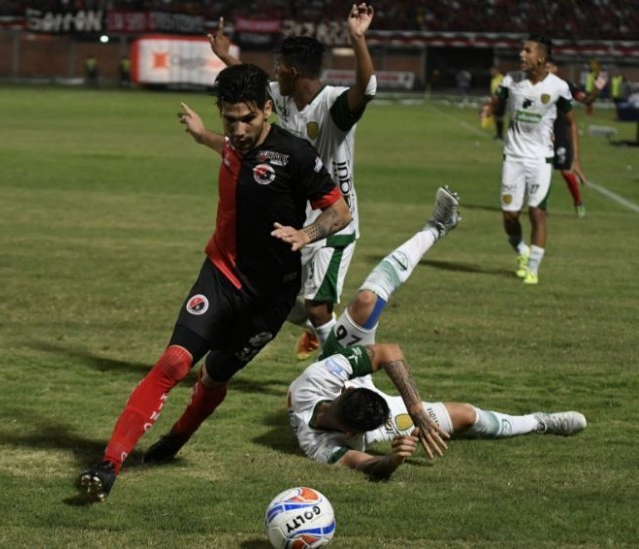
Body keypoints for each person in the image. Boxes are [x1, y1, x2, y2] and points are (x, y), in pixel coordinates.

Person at [78, 63, 352, 502]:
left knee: (217, 374)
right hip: (221, 275)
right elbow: (223, 146)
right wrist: (200, 133)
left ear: (267, 110)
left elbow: (340, 211)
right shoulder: (231, 142)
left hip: (270, 297)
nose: (239, 130)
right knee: (173, 363)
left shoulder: (295, 154)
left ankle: (180, 435)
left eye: (249, 119)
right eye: (231, 120)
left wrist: (306, 234)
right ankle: (109, 463)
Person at [288, 188, 586, 480]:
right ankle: (539, 422)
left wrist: (416, 409)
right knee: (467, 416)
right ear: (353, 434)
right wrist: (393, 458)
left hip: (335, 373)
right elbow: (364, 464)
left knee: (366, 301)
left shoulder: (316, 383)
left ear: (348, 388)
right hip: (376, 418)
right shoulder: (316, 443)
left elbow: (388, 352)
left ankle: (437, 226)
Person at [208, 4, 377, 361]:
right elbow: (251, 84)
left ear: (293, 70)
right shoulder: (281, 98)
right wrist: (226, 55)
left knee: (317, 307)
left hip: (334, 221)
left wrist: (358, 38)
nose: (275, 72)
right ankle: (324, 338)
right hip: (295, 221)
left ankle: (338, 371)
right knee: (276, 297)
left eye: (278, 67)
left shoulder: (332, 106)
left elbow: (365, 88)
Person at [481, 35, 576, 285]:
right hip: (513, 157)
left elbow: (571, 121)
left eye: (527, 51)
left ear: (541, 58)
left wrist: (574, 159)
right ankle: (523, 251)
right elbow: (497, 102)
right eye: (521, 51)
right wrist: (490, 108)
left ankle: (533, 267)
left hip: (541, 159)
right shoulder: (511, 80)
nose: (521, 55)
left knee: (537, 213)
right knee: (510, 216)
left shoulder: (558, 86)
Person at [546, 61, 607, 218]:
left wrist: (597, 87)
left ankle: (578, 202)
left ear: (555, 68)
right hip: (540, 134)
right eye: (544, 67)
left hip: (559, 131)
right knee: (540, 171)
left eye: (549, 66)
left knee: (566, 172)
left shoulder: (565, 85)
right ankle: (539, 205)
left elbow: (586, 99)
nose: (546, 69)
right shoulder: (534, 85)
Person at [489, 66, 504, 140]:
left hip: (501, 100)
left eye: (492, 71)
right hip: (494, 100)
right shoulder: (493, 79)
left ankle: (500, 135)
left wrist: (498, 96)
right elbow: (492, 90)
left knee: (499, 117)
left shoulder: (502, 78)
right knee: (495, 117)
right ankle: (498, 134)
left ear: (497, 71)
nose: (491, 73)